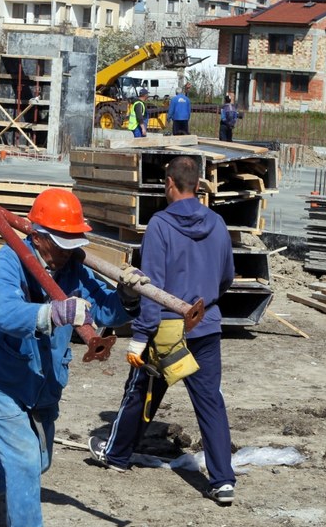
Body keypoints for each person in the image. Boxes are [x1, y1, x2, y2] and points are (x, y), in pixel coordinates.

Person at [0, 188, 147, 527]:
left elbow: (104, 312)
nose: (71, 249)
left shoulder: (74, 266)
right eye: (63, 241)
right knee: (25, 458)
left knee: (37, 462)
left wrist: (127, 296)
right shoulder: (9, 261)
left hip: (44, 381)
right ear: (38, 237)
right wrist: (51, 313)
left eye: (75, 240)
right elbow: (4, 313)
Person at [89, 156, 237, 506]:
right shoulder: (217, 224)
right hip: (205, 325)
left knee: (141, 391)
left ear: (169, 184)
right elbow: (227, 276)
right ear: (198, 185)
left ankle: (117, 454)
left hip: (166, 332)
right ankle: (223, 481)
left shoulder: (159, 225)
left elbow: (149, 285)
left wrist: (140, 336)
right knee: (210, 403)